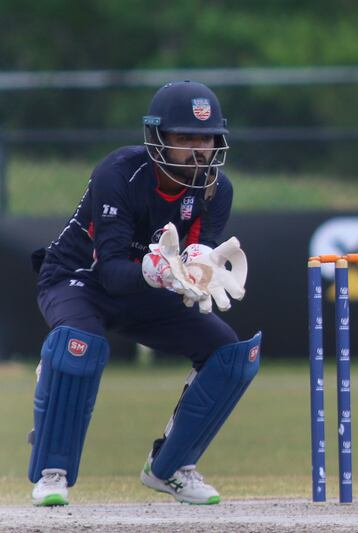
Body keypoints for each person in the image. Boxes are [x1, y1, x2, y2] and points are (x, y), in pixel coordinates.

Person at [28, 80, 260, 507]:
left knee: (231, 355)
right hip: (80, 278)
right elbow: (114, 272)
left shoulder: (216, 190)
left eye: (206, 138)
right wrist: (155, 271)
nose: (197, 149)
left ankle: (170, 468)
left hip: (151, 289)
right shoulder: (118, 173)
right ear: (158, 139)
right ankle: (51, 473)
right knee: (79, 347)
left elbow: (195, 251)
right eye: (184, 137)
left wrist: (198, 272)